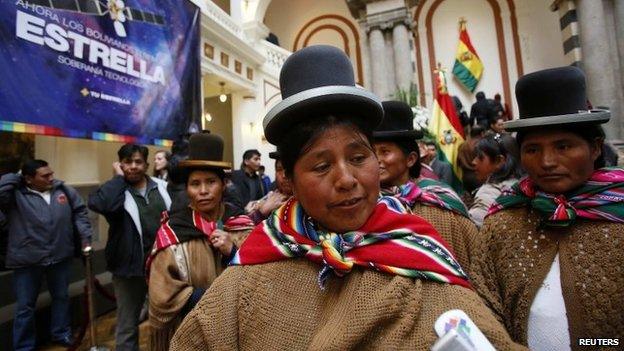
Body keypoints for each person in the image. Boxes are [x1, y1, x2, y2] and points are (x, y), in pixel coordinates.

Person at [170, 45, 524, 350]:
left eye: (358, 158)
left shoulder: (421, 251)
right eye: (321, 166)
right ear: (288, 179)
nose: (347, 180)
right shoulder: (251, 272)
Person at [470, 66, 623, 349]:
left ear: (595, 147)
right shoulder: (502, 223)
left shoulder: (618, 217)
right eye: (532, 149)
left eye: (563, 146)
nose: (547, 161)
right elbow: (482, 307)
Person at [147, 133, 254, 351]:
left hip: (237, 335)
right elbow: (161, 295)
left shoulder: (241, 226)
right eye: (195, 183)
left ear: (224, 184)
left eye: (211, 182)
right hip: (189, 335)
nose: (203, 191)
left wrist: (232, 251)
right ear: (187, 189)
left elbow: (260, 278)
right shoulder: (173, 231)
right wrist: (208, 301)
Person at [0, 160, 93, 350]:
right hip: (27, 259)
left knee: (61, 297)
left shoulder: (63, 191)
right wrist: (16, 176)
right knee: (25, 307)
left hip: (60, 255)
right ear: (28, 178)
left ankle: (61, 333)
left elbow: (80, 212)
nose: (51, 178)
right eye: (44, 176)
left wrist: (85, 237)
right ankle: (24, 346)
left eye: (51, 173)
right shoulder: (15, 195)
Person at [373, 101, 478, 269]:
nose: (376, 160)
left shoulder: (437, 199)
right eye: (372, 152)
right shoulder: (365, 205)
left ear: (411, 159)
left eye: (385, 152)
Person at [88, 144, 171, 351]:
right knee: (127, 325)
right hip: (128, 268)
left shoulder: (161, 186)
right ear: (120, 164)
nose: (133, 166)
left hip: (162, 266)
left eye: (138, 162)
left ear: (146, 164)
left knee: (166, 321)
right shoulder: (116, 190)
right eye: (127, 162)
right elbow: (103, 205)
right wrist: (117, 178)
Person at [468, 133, 523, 227]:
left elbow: (471, 230)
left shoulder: (488, 194)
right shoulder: (527, 185)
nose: (474, 162)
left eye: (480, 157)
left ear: (499, 161)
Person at [457, 125, 486, 194]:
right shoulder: (481, 145)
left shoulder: (462, 145)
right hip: (478, 177)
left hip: (465, 176)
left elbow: (458, 162)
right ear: (482, 133)